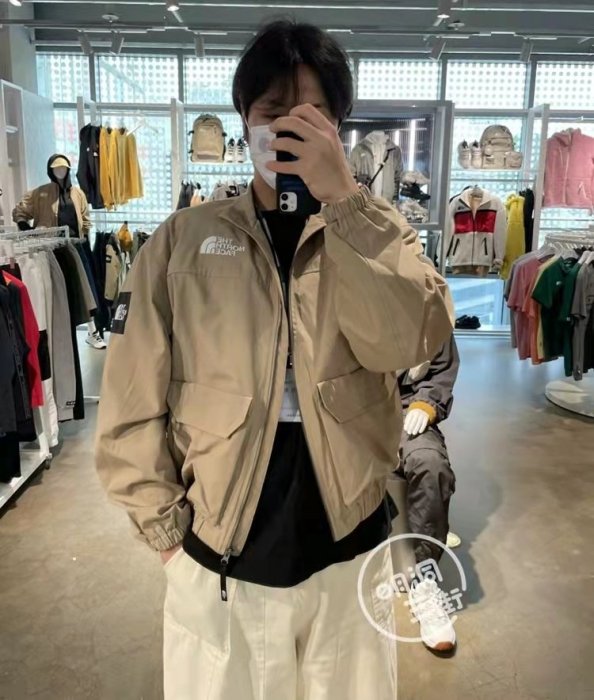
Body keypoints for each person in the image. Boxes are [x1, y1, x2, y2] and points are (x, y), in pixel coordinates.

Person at [95, 19, 453, 700]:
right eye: (272, 111)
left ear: (339, 127)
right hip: (219, 552)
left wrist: (345, 202)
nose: (291, 127)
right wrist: (167, 537)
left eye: (313, 114)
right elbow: (130, 399)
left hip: (350, 546)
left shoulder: (378, 230)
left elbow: (407, 341)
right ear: (244, 119)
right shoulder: (183, 241)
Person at [395, 334, 459, 653]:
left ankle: (425, 580)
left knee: (430, 465)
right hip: (348, 412)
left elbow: (442, 368)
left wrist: (426, 403)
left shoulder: (429, 313)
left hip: (407, 409)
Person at [12, 155, 106, 350]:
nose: (60, 172)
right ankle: (58, 334)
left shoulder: (77, 193)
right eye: (56, 169)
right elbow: (20, 211)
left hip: (74, 247)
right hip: (50, 247)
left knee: (84, 288)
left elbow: (85, 218)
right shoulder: (41, 193)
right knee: (57, 290)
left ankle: (93, 332)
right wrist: (25, 227)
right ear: (50, 171)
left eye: (63, 168)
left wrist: (84, 236)